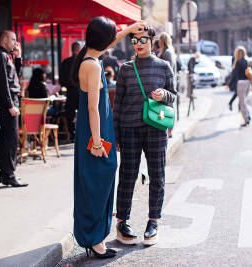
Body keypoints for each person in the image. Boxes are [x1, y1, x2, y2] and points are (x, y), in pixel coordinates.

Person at [71, 16, 146, 259]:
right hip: (95, 133)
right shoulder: (92, 65)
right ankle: (94, 240)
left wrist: (128, 31)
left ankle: (95, 238)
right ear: (103, 39)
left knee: (97, 182)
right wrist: (95, 142)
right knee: (97, 184)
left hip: (96, 131)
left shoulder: (90, 57)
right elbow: (93, 108)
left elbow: (109, 42)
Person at [113, 26, 176, 246]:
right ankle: (122, 222)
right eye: (135, 40)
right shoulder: (126, 69)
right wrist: (116, 134)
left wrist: (163, 95)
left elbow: (173, 96)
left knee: (157, 176)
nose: (139, 44)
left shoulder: (163, 66)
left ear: (152, 40)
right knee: (127, 176)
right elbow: (118, 104)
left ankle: (153, 222)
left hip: (156, 129)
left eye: (143, 39)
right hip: (129, 129)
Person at [0, 30, 28, 187]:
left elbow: (14, 77)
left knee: (7, 137)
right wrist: (10, 105)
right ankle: (9, 174)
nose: (16, 43)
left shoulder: (6, 56)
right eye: (13, 40)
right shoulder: (0, 56)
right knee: (11, 139)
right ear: (5, 39)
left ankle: (4, 173)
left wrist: (18, 58)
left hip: (11, 100)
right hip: (9, 102)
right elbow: (3, 84)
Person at [59, 41, 81, 142]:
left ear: (71, 50)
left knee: (70, 114)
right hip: (82, 91)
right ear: (79, 50)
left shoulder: (65, 62)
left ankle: (72, 134)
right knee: (83, 112)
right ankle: (82, 133)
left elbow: (61, 81)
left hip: (70, 91)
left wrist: (69, 84)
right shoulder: (82, 61)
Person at [157, 32, 177, 138]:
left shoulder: (167, 53)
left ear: (163, 41)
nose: (158, 42)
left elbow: (168, 69)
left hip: (167, 83)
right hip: (163, 83)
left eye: (160, 40)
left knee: (169, 106)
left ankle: (170, 130)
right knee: (164, 106)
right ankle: (166, 128)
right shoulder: (164, 51)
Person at [231, 46, 251, 127]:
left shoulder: (238, 62)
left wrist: (229, 84)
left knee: (242, 103)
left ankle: (246, 119)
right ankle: (248, 116)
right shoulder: (248, 61)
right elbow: (250, 73)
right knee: (244, 102)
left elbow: (234, 75)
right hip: (248, 83)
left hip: (241, 83)